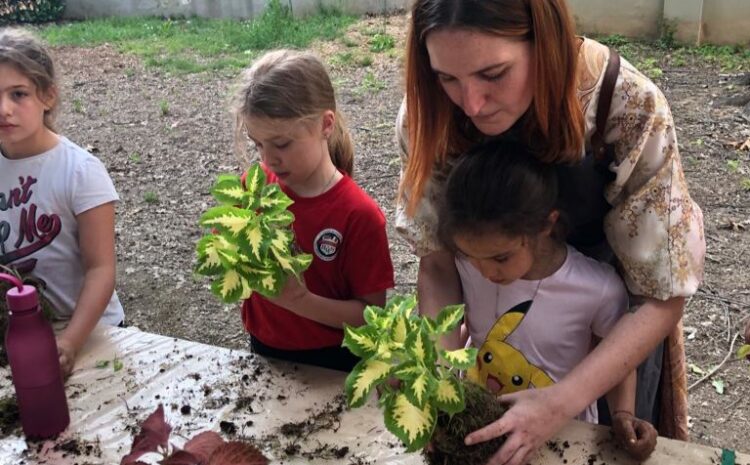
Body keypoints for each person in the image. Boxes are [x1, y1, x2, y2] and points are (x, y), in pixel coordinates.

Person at [395, 1, 705, 464]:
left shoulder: (627, 105)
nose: (471, 103)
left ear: (547, 42)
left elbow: (661, 295)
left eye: (494, 74)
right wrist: (440, 377)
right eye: (447, 78)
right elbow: (438, 263)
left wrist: (560, 402)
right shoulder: (431, 113)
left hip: (611, 331)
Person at [438, 140, 657, 460]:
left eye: (500, 257)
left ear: (546, 225)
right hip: (482, 427)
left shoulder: (597, 289)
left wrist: (624, 415)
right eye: (472, 257)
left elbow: (618, 358)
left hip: (562, 437)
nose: (485, 271)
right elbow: (458, 331)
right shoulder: (466, 267)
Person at [232, 49, 395, 372]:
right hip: (263, 350)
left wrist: (300, 301)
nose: (268, 160)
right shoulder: (255, 189)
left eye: (281, 144)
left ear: (325, 124)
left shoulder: (358, 214)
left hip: (334, 363)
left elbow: (370, 316)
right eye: (258, 145)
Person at [0, 29, 124, 377]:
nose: (3, 109)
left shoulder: (81, 172)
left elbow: (101, 270)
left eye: (18, 94)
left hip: (91, 331)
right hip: (18, 332)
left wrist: (70, 341)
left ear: (48, 96)